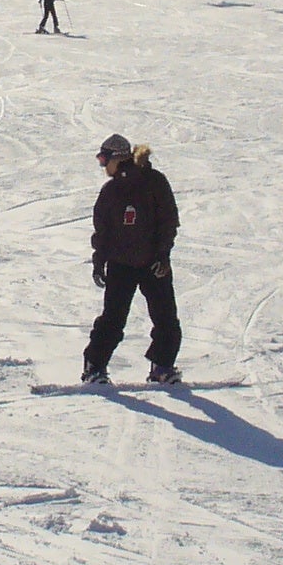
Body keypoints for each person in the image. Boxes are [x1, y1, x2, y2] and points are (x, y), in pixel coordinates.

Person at [82, 133, 181, 385]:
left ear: (118, 158)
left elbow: (168, 221)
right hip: (121, 263)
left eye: (104, 160)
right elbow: (102, 231)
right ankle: (94, 367)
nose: (103, 167)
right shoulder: (111, 190)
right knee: (113, 319)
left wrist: (162, 254)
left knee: (165, 318)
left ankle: (162, 367)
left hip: (153, 263)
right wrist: (99, 260)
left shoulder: (154, 182)